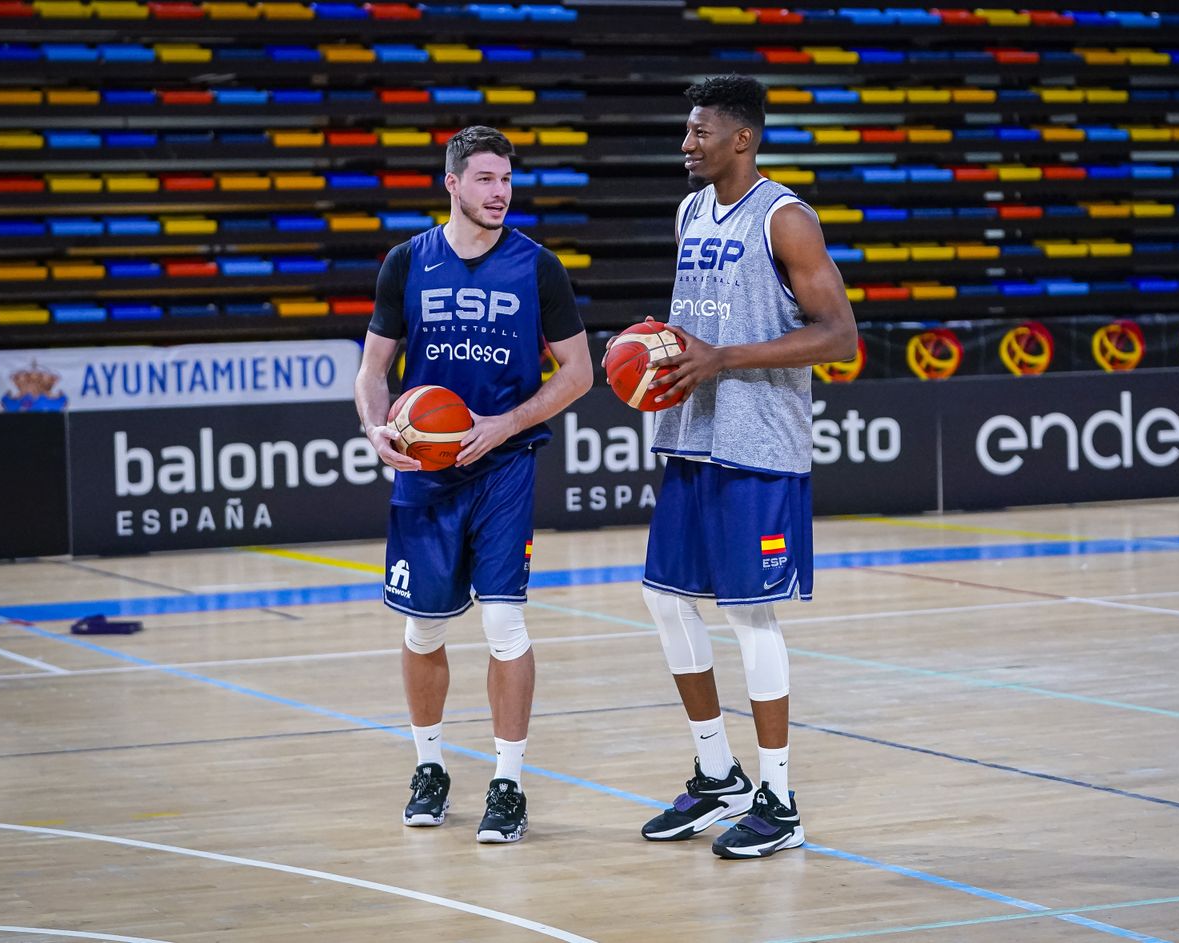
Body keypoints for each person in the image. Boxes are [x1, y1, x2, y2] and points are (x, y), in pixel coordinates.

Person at [635, 75, 858, 859]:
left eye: (699, 132)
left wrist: (724, 357)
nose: (685, 144)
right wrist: (647, 351)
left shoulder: (786, 218)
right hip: (692, 435)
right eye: (685, 130)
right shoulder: (690, 211)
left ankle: (780, 797)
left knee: (748, 614)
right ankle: (716, 772)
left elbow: (840, 337)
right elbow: (699, 327)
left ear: (742, 139)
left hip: (760, 443)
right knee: (664, 600)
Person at [355, 125, 592, 844]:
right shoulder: (407, 262)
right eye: (485, 179)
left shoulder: (538, 267)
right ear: (453, 184)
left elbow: (579, 373)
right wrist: (375, 426)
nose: (500, 192)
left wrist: (503, 423)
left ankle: (508, 781)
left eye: (506, 180)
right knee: (423, 625)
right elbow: (372, 372)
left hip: (504, 466)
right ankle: (429, 766)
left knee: (503, 622)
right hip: (427, 474)